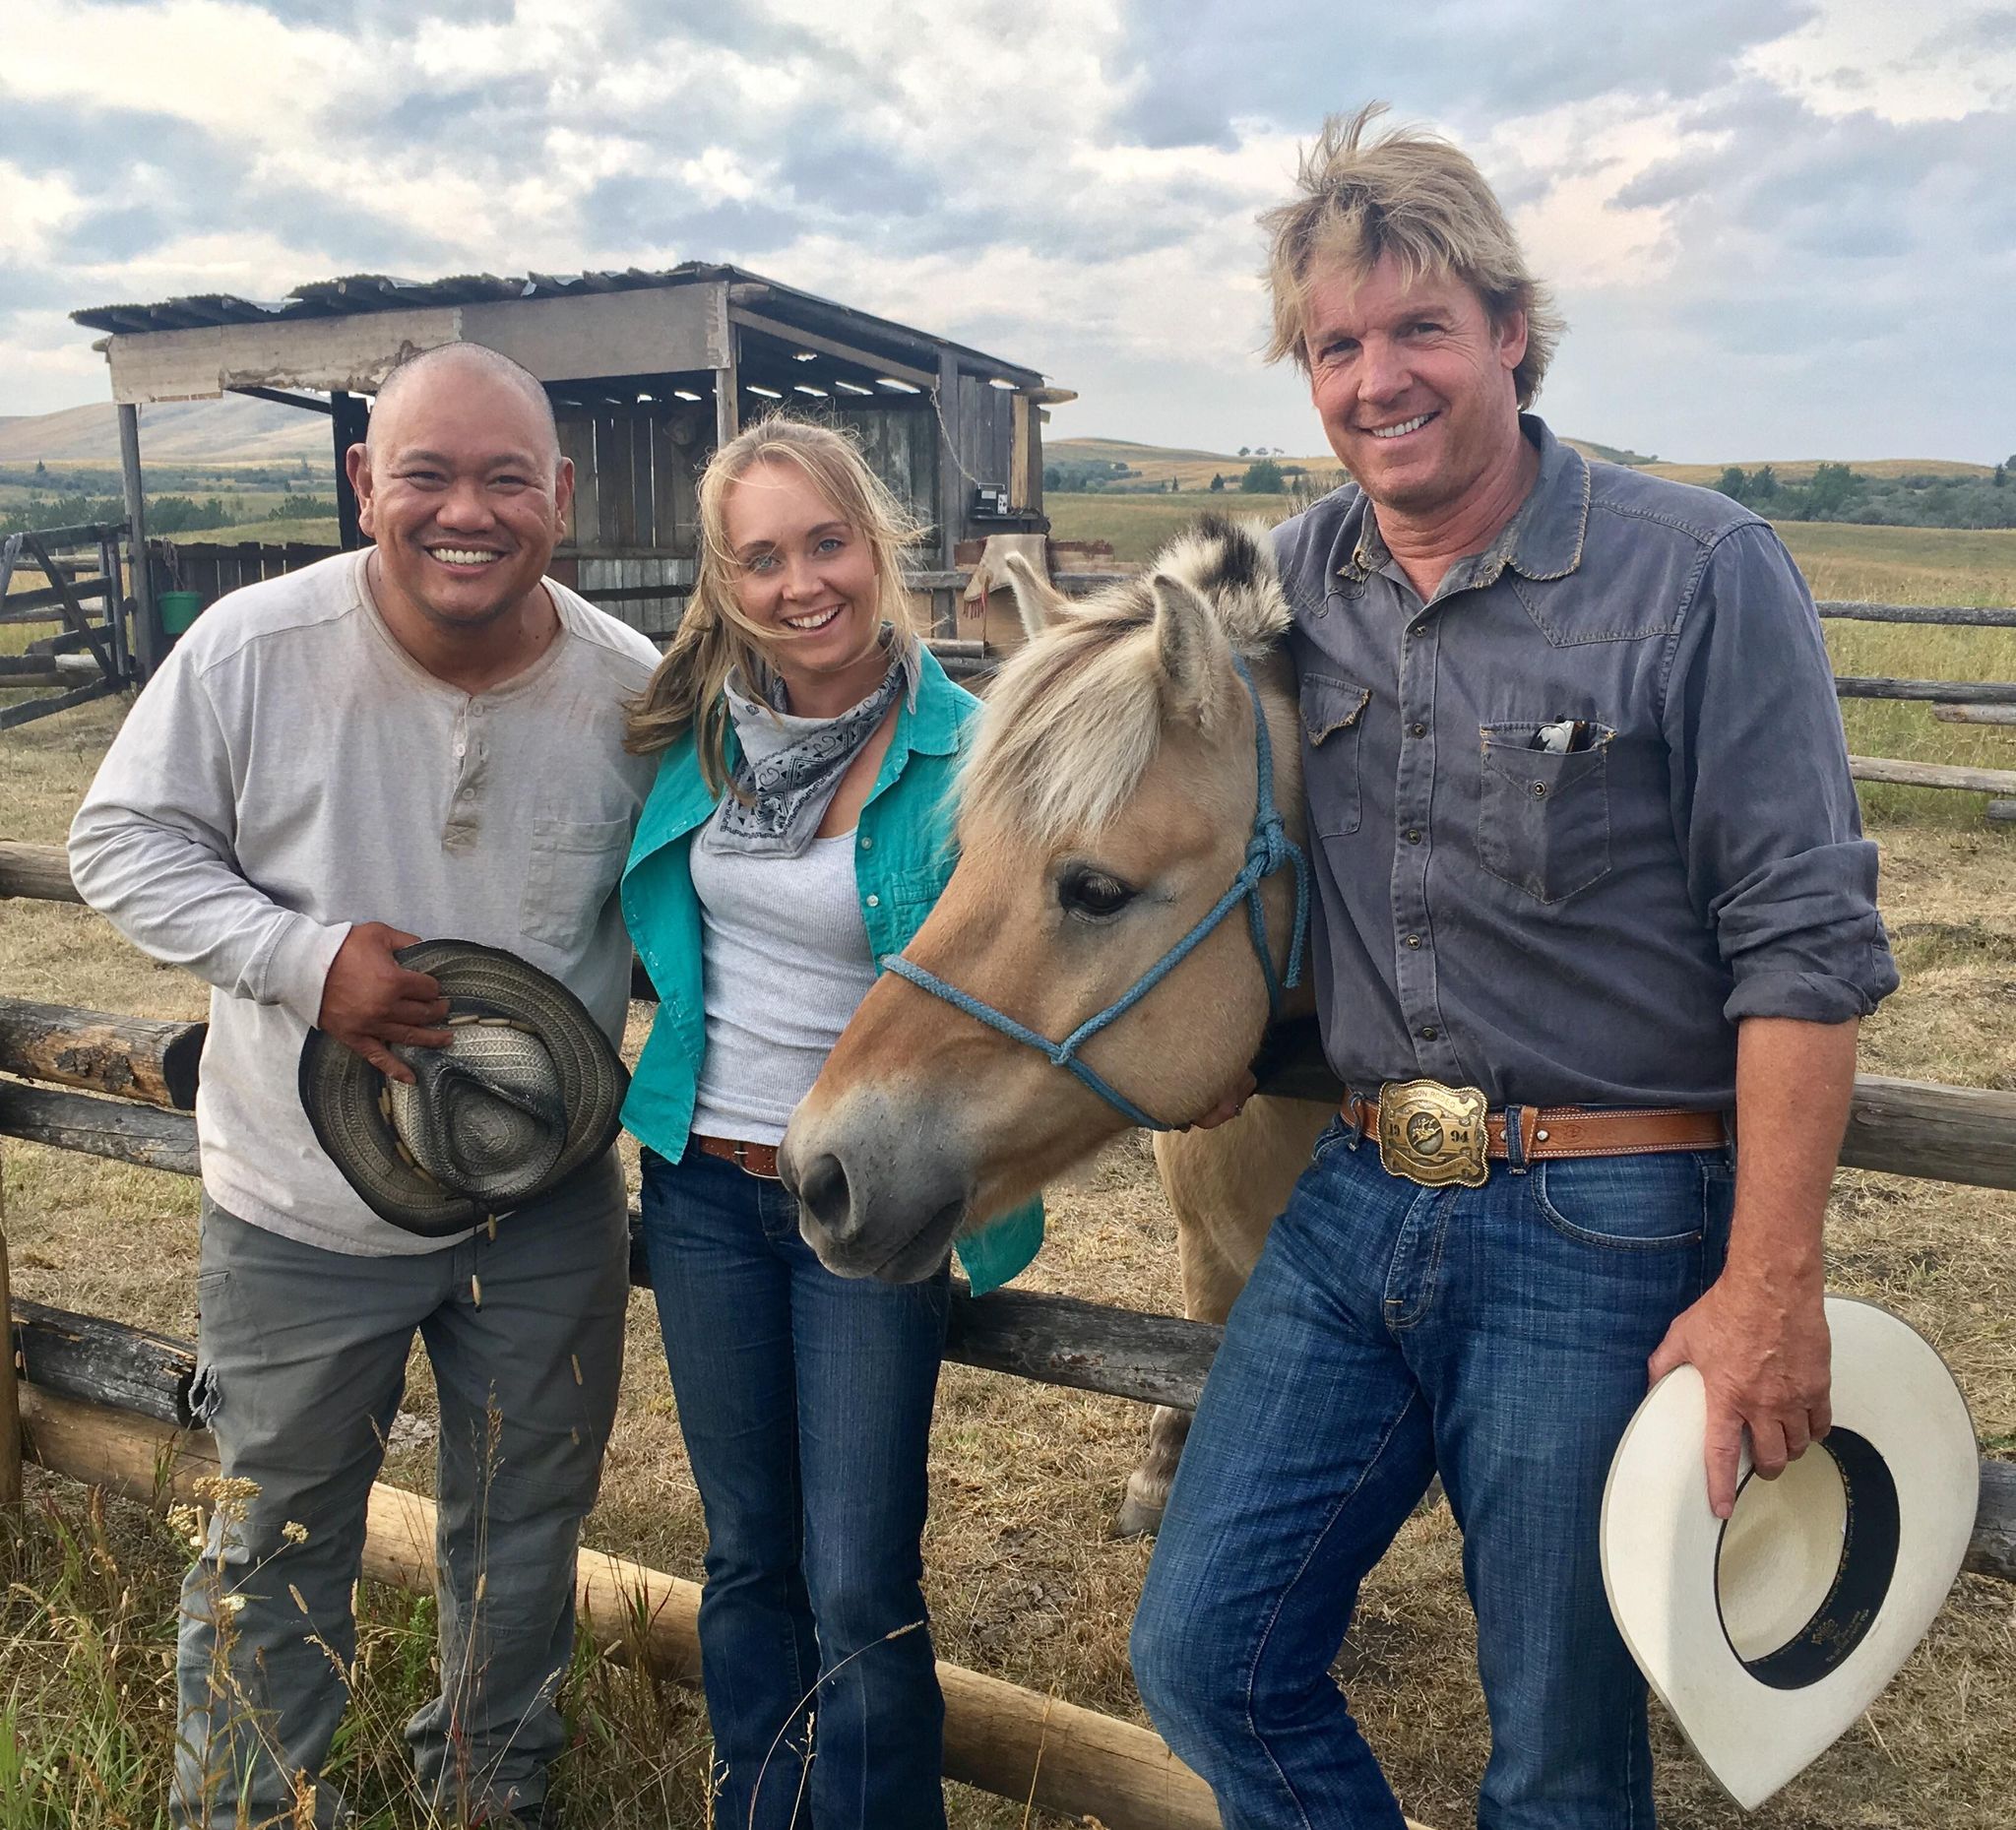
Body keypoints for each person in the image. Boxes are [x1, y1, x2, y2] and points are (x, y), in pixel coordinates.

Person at [1130, 105, 1899, 1828]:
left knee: (1556, 1750)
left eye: (1419, 328)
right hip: (1353, 1190)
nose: (1376, 378)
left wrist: (1770, 1281)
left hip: (1601, 1222)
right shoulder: (1292, 579)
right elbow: (1136, 736)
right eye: (1336, 345)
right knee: (1202, 1649)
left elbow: (1806, 946)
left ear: (1512, 333)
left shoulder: (1701, 572)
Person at [68, 342, 662, 1828]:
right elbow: (118, 844)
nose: (468, 510)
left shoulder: (627, 693)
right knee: (277, 1533)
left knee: (524, 1529)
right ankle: (249, 1809)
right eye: (428, 474)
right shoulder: (252, 652)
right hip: (295, 1205)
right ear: (363, 486)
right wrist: (300, 957)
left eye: (506, 478)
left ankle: (487, 1797)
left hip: (541, 1211)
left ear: (560, 496)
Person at [619, 416, 1042, 1830]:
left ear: (878, 546)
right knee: (747, 1552)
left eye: (826, 544)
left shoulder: (974, 758)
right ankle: (758, 1810)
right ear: (724, 581)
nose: (802, 584)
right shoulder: (690, 740)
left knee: (860, 1572)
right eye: (762, 558)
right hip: (700, 1188)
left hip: (864, 1209)